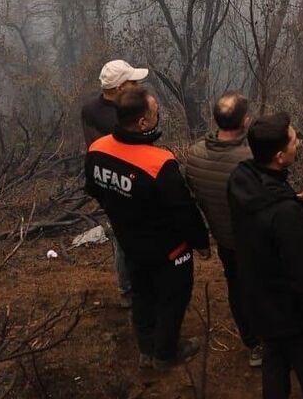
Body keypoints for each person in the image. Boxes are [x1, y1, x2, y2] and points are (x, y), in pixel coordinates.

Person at [84, 86, 210, 370]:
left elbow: (93, 188)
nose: (158, 115)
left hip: (128, 241)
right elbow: (184, 210)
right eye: (155, 112)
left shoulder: (97, 148)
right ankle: (165, 354)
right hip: (168, 248)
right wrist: (201, 241)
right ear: (143, 122)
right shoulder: (159, 163)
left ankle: (146, 348)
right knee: (173, 299)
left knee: (141, 294)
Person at [228, 112, 303, 399]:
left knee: (274, 363)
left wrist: (289, 200)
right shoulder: (285, 214)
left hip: (259, 301)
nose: (297, 143)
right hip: (292, 315)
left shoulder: (241, 179)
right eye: (293, 141)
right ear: (279, 156)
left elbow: (261, 224)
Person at [180, 91, 262, 366]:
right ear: (245, 121)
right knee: (264, 286)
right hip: (256, 240)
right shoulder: (251, 157)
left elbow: (192, 199)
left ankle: (253, 343)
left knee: (236, 286)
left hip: (225, 239)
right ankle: (270, 339)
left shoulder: (195, 154)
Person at [81, 59, 149, 306]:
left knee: (123, 236)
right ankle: (129, 289)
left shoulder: (89, 109)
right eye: (132, 82)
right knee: (128, 239)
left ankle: (129, 287)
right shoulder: (121, 116)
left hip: (105, 181)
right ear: (120, 88)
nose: (138, 85)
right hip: (127, 182)